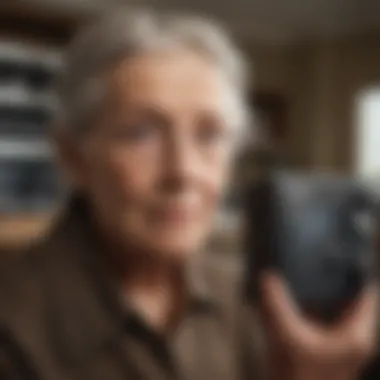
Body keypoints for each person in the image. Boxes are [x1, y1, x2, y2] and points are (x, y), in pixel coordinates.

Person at [0, 8, 378, 380]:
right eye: (141, 133)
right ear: (73, 157)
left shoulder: (253, 300)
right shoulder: (13, 324)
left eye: (210, 134)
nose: (183, 171)